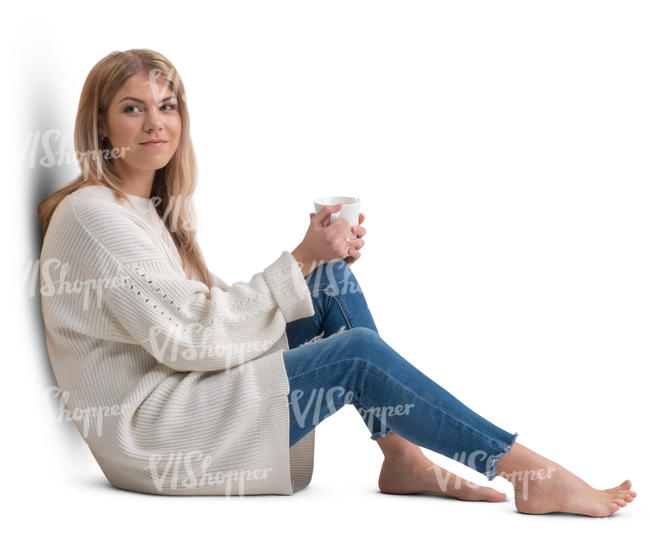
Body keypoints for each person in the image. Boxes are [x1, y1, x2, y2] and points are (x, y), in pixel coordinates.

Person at [38, 49, 636, 514]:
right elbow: (189, 338)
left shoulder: (147, 214)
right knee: (355, 356)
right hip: (159, 434)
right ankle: (527, 472)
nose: (155, 122)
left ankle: (400, 459)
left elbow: (210, 310)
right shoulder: (94, 216)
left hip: (189, 396)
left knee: (328, 282)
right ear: (100, 122)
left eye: (166, 106)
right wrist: (295, 257)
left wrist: (311, 262)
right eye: (132, 107)